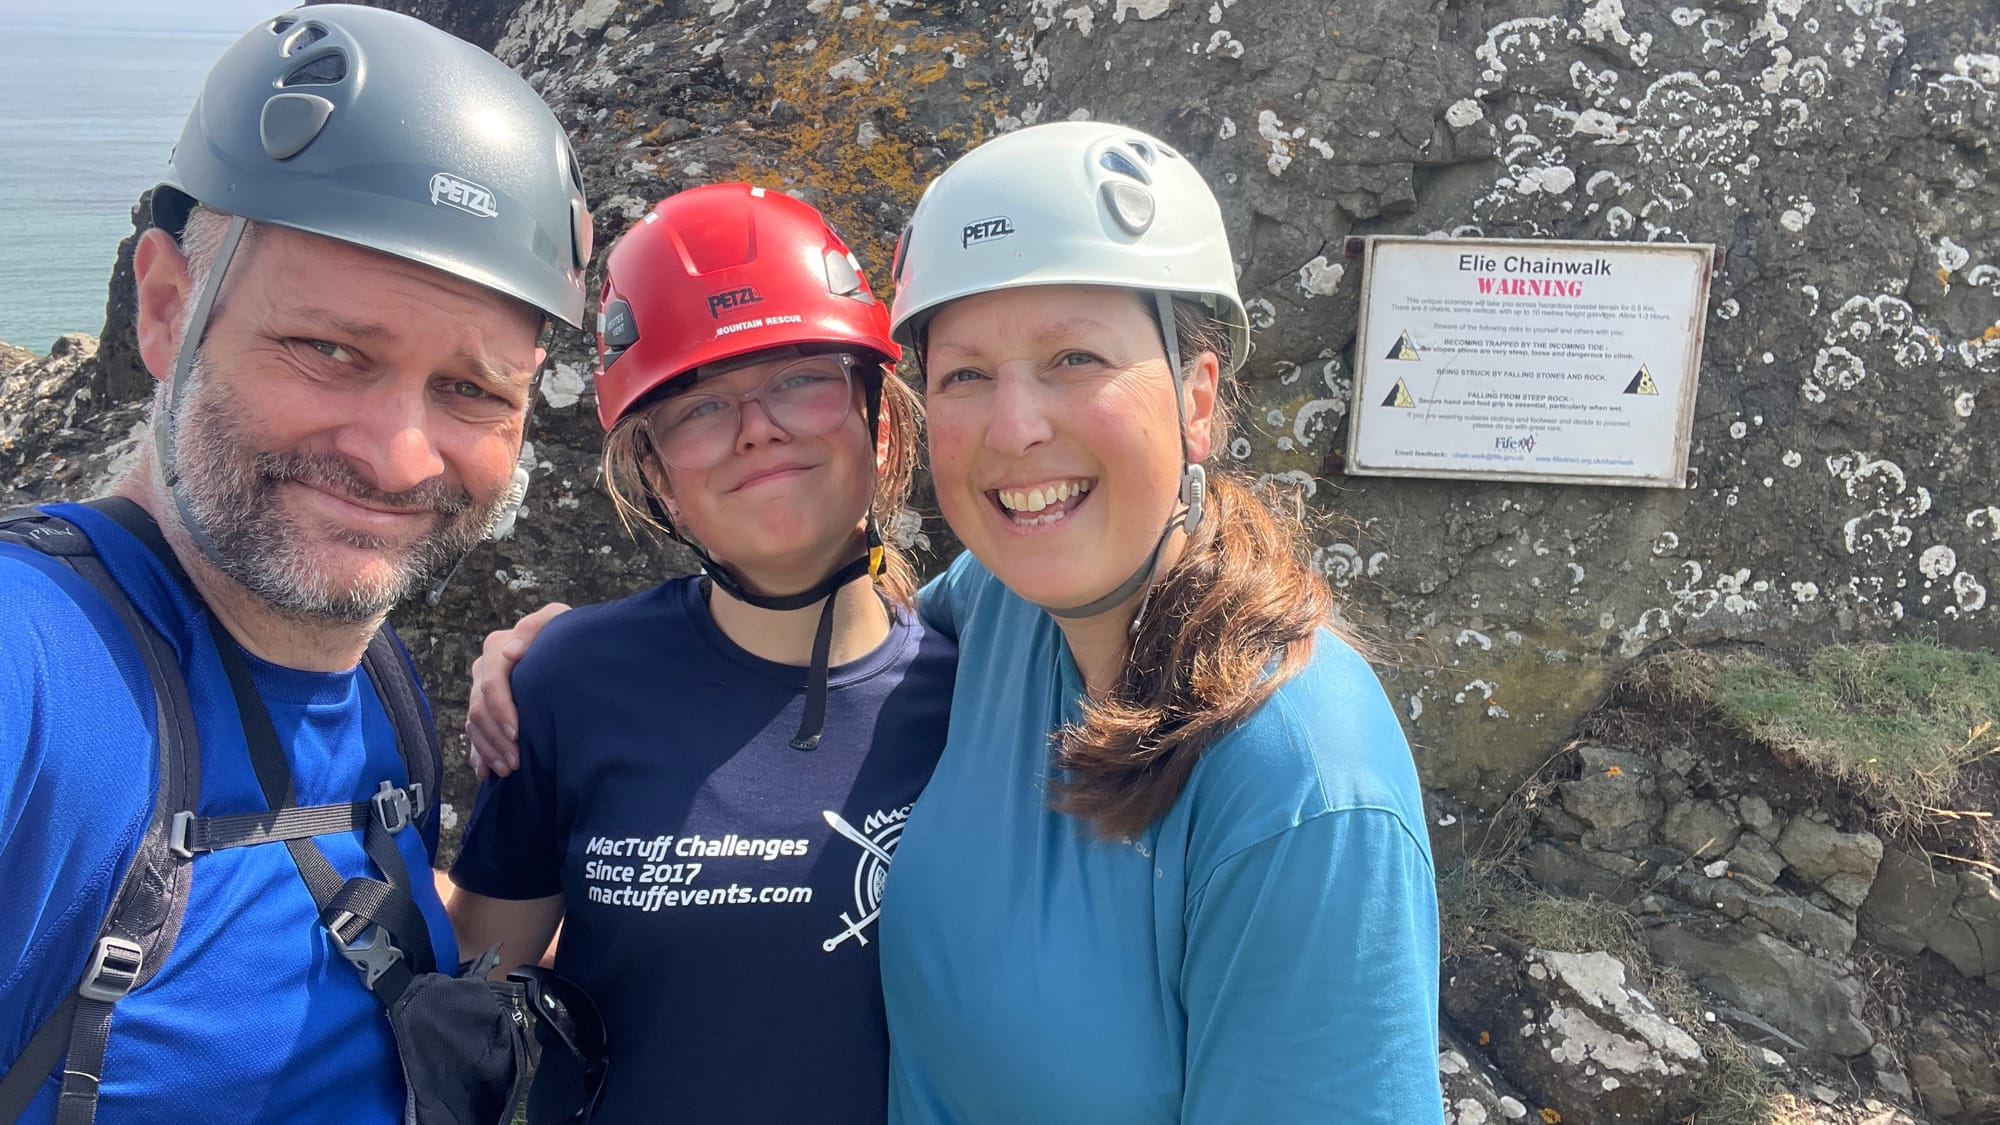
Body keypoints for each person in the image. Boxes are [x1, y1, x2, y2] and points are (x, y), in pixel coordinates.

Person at [467, 122, 1442, 1123]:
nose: (1016, 429)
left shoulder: (1300, 782)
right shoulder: (1005, 609)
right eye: (967, 374)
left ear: (1197, 399)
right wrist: (560, 656)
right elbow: (842, 636)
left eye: (1074, 357)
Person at [0, 6, 590, 1122]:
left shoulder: (378, 691)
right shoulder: (33, 669)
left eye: (470, 389)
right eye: (329, 349)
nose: (399, 456)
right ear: (166, 309)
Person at [446, 183, 954, 1124]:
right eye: (699, 407)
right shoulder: (570, 684)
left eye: (801, 378)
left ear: (877, 419)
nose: (757, 426)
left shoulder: (984, 700)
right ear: (657, 475)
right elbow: (467, 988)